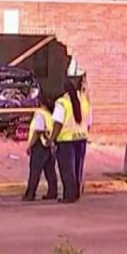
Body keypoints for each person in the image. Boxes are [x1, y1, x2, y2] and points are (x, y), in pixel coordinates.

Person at [54, 74, 91, 204]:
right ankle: (76, 193)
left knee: (67, 169)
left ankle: (69, 195)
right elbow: (89, 122)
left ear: (65, 88)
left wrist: (52, 139)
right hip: (81, 139)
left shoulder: (62, 102)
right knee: (77, 168)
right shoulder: (84, 101)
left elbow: (58, 123)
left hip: (66, 140)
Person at [22, 100, 58, 201]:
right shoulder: (50, 115)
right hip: (48, 144)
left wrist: (30, 145)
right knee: (50, 171)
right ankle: (52, 192)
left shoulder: (39, 114)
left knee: (35, 171)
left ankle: (30, 193)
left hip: (39, 145)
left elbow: (37, 131)